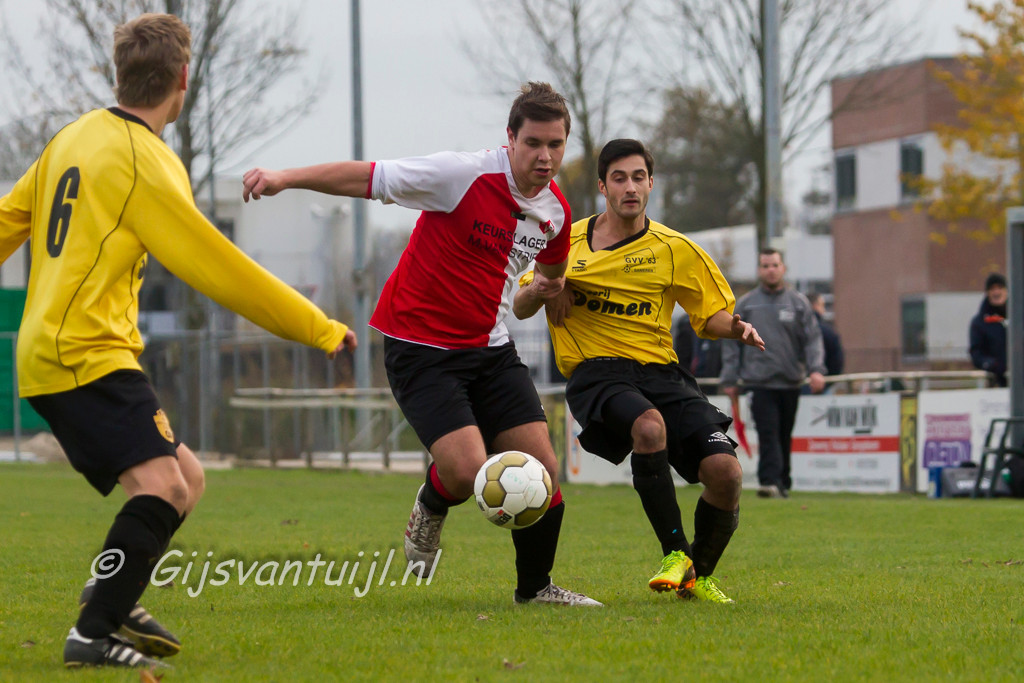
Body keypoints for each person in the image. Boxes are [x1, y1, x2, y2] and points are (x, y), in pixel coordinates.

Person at [0, 14, 356, 669]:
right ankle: (92, 631)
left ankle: (112, 590)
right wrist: (319, 326)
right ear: (183, 78)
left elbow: (5, 222)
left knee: (186, 477)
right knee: (164, 486)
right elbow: (221, 268)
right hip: (84, 354)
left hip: (57, 351)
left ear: (120, 73)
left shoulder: (72, 136)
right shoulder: (147, 161)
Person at [242, 82, 600, 607]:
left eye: (555, 144)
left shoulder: (556, 213)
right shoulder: (461, 175)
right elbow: (368, 177)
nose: (544, 157)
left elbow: (548, 278)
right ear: (509, 138)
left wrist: (551, 289)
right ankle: (431, 503)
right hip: (420, 346)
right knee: (465, 471)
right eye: (533, 143)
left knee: (543, 473)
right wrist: (284, 178)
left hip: (490, 348)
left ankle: (536, 590)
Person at [514, 139, 765, 604]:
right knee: (648, 428)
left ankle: (696, 577)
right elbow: (521, 303)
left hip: (662, 374)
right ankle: (676, 553)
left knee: (726, 473)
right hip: (597, 374)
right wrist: (550, 285)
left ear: (651, 184)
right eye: (619, 178)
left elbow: (708, 316)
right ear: (602, 186)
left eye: (637, 178)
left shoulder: (675, 249)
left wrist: (736, 328)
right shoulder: (566, 241)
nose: (629, 187)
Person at [720, 249, 825, 498]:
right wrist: (730, 377)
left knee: (783, 434)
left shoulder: (799, 303)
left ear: (783, 268)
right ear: (759, 270)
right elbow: (731, 342)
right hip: (759, 382)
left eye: (775, 265)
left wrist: (816, 369)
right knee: (768, 432)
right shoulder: (746, 304)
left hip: (790, 381)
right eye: (766, 265)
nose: (771, 270)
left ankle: (783, 483)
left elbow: (812, 340)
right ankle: (768, 481)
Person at [969, 273, 1008, 387]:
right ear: (987, 293)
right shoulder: (980, 322)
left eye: (1000, 288)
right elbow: (976, 353)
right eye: (992, 289)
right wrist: (992, 364)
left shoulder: (1018, 317)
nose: (996, 292)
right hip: (995, 383)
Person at [807, 292, 844, 378]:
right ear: (815, 306)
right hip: (822, 379)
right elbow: (837, 362)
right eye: (822, 305)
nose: (824, 310)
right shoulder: (827, 332)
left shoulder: (794, 329)